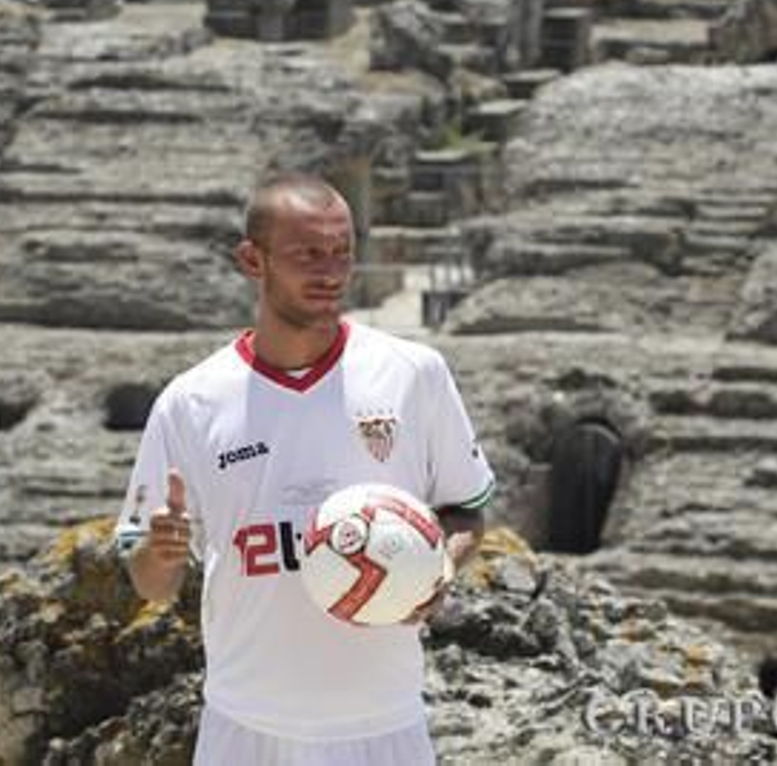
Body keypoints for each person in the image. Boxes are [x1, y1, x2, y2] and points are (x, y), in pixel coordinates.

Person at [113, 172, 496, 764]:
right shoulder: (191, 402)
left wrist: (439, 564)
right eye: (307, 254)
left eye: (342, 250)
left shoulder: (413, 373)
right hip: (245, 726)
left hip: (384, 725)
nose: (330, 271)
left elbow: (466, 509)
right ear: (252, 260)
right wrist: (160, 555)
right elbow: (150, 584)